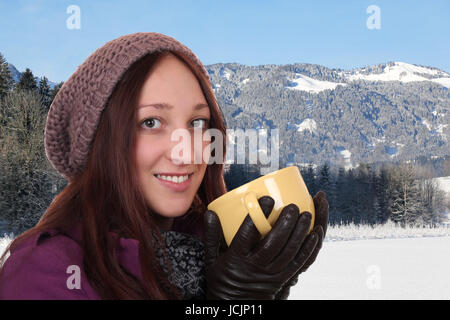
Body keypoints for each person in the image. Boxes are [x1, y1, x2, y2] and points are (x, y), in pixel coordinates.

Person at [0, 32, 328, 300]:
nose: (186, 153)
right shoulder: (43, 271)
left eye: (198, 122)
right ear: (100, 141)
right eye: (152, 121)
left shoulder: (214, 250)